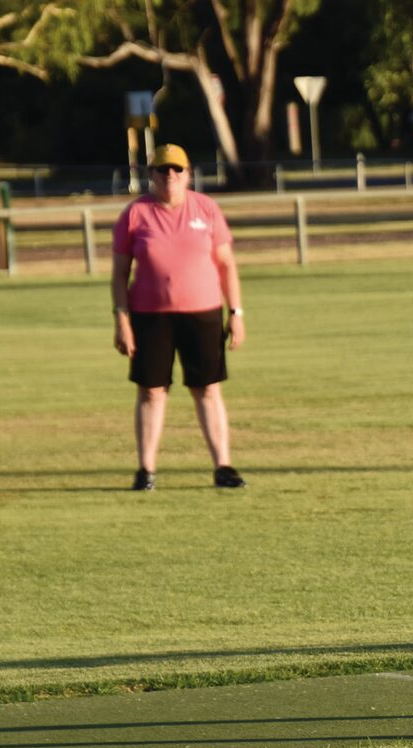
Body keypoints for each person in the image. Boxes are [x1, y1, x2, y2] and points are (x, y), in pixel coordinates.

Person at [110, 143, 247, 491]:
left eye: (177, 170)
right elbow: (119, 273)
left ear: (188, 174)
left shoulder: (207, 209)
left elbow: (226, 264)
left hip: (202, 312)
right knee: (152, 392)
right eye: (162, 170)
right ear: (151, 175)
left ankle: (223, 466)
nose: (169, 176)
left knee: (207, 389)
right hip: (150, 315)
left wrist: (237, 312)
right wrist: (121, 319)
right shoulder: (135, 214)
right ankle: (146, 470)